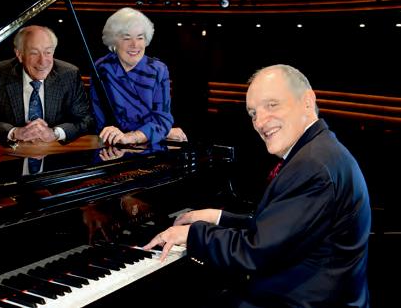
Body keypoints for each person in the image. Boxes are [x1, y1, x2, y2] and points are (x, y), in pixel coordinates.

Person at [143, 64, 371, 307]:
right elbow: (278, 230)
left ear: (307, 101)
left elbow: (256, 252)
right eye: (253, 113)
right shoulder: (320, 151)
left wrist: (193, 234)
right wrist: (218, 217)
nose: (260, 122)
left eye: (272, 105)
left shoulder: (312, 165)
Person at [0, 25, 94, 146]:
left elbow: (84, 119)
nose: (42, 61)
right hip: (12, 150)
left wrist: (55, 133)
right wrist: (14, 132)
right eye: (34, 53)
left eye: (48, 52)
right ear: (19, 54)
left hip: (55, 150)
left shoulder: (69, 75)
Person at [89, 7, 187, 145]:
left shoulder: (158, 70)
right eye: (127, 38)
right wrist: (163, 132)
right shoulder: (102, 68)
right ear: (114, 41)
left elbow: (163, 119)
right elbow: (99, 120)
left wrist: (134, 136)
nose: (134, 45)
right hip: (111, 144)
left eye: (140, 37)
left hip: (148, 144)